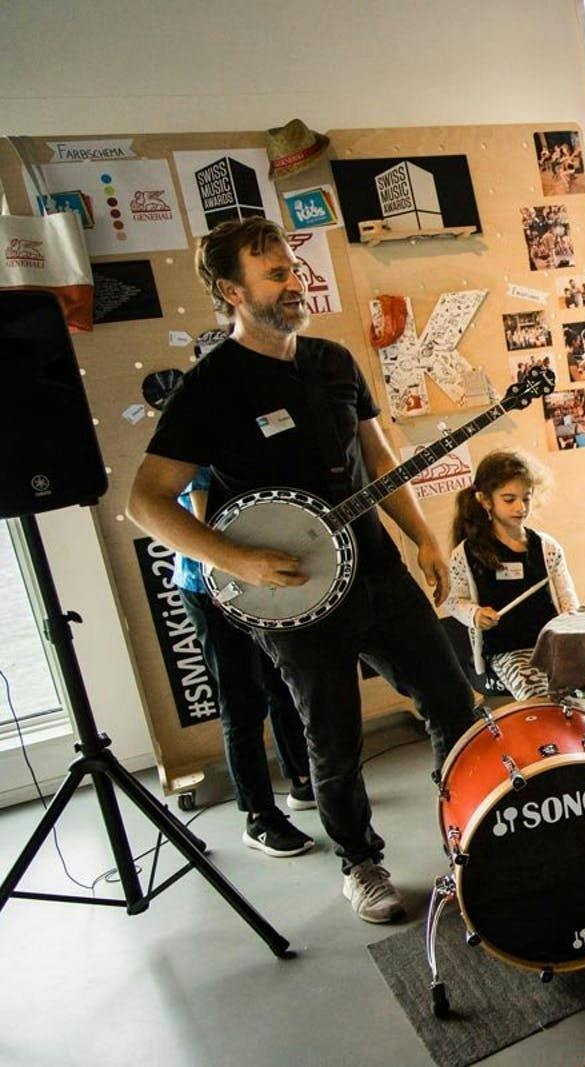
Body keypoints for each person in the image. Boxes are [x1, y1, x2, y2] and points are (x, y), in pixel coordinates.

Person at [128, 217, 478, 924]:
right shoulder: (210, 387)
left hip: (377, 570)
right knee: (334, 737)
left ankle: (469, 825)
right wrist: (235, 558)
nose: (297, 281)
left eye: (295, 267)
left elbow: (379, 456)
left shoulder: (333, 361)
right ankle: (361, 861)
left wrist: (424, 539)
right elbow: (145, 502)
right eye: (277, 273)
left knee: (451, 697)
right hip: (293, 595)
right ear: (232, 290)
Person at [171, 467, 317, 858]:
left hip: (253, 584)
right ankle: (258, 818)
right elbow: (205, 529)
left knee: (279, 683)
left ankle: (301, 778)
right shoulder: (195, 448)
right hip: (211, 588)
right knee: (242, 703)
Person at [445, 449, 578, 700]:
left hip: (551, 643)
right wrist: (475, 614)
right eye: (509, 499)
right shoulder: (466, 553)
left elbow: (567, 597)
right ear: (485, 500)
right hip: (505, 650)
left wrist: (573, 624)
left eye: (525, 499)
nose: (520, 507)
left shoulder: (547, 547)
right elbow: (454, 602)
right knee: (539, 697)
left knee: (582, 690)